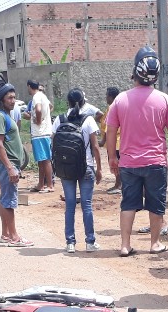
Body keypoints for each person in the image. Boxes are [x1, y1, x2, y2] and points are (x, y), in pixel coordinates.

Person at [106, 46, 168, 257]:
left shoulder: (120, 100)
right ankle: (154, 243)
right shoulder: (164, 99)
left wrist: (112, 157)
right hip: (156, 162)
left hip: (128, 163)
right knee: (156, 203)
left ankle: (125, 244)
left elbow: (112, 132)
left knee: (128, 203)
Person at [0, 78, 32, 247]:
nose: (13, 101)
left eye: (14, 97)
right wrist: (10, 167)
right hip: (7, 165)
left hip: (9, 165)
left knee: (5, 199)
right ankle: (14, 237)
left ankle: (6, 234)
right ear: (1, 100)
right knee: (9, 202)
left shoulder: (5, 115)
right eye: (10, 98)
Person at [58, 88, 102, 253]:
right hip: (86, 167)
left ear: (67, 102)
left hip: (65, 168)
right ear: (84, 102)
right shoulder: (88, 120)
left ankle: (70, 243)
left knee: (69, 206)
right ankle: (90, 242)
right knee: (87, 205)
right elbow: (95, 147)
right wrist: (99, 168)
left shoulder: (60, 119)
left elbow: (55, 144)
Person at [26, 80, 54, 193]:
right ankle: (41, 184)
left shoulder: (36, 97)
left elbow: (38, 109)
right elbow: (50, 106)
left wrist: (38, 120)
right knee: (41, 160)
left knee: (45, 159)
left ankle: (50, 185)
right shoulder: (43, 96)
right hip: (43, 132)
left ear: (29, 87)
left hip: (40, 133)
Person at [101, 86, 122, 194]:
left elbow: (108, 128)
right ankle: (119, 184)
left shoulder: (112, 108)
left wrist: (103, 141)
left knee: (116, 163)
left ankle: (119, 185)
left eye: (107, 96)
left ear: (111, 97)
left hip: (116, 141)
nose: (106, 98)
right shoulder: (118, 106)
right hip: (119, 140)